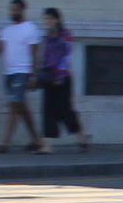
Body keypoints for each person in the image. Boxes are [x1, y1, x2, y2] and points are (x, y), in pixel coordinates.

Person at [0, 0, 45, 154]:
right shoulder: (7, 30)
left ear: (23, 10)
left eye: (15, 10)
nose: (12, 12)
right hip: (9, 73)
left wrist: (34, 76)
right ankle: (38, 140)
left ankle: (5, 143)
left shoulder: (31, 29)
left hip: (23, 72)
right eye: (11, 9)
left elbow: (35, 54)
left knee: (14, 105)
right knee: (21, 107)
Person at [33, 8, 87, 151]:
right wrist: (39, 77)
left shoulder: (66, 35)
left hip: (63, 78)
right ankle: (47, 145)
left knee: (65, 110)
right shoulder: (46, 38)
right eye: (45, 18)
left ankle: (81, 134)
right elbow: (43, 59)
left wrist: (61, 76)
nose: (47, 21)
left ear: (57, 19)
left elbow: (67, 57)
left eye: (50, 18)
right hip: (49, 77)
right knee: (48, 110)